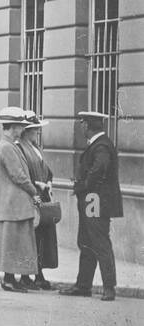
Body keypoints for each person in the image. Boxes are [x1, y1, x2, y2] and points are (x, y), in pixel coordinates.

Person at [61, 110, 121, 302]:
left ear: (87, 125)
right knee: (87, 241)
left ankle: (108, 287)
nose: (81, 126)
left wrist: (83, 186)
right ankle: (83, 285)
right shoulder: (100, 144)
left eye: (82, 123)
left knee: (99, 241)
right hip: (92, 198)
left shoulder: (101, 145)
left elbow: (99, 170)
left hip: (94, 199)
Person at [0, 106, 40, 293]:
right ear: (12, 127)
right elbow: (18, 175)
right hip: (12, 204)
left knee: (17, 243)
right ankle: (8, 279)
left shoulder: (10, 145)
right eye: (20, 126)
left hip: (15, 204)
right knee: (11, 243)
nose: (22, 130)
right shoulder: (7, 147)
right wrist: (33, 190)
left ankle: (13, 278)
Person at [16, 110, 55, 290]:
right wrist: (37, 185)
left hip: (42, 195)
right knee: (30, 237)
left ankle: (38, 274)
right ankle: (27, 275)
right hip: (31, 197)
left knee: (40, 238)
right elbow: (21, 174)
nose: (37, 132)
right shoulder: (20, 147)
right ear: (26, 130)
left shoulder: (35, 147)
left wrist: (48, 181)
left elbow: (46, 169)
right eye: (34, 129)